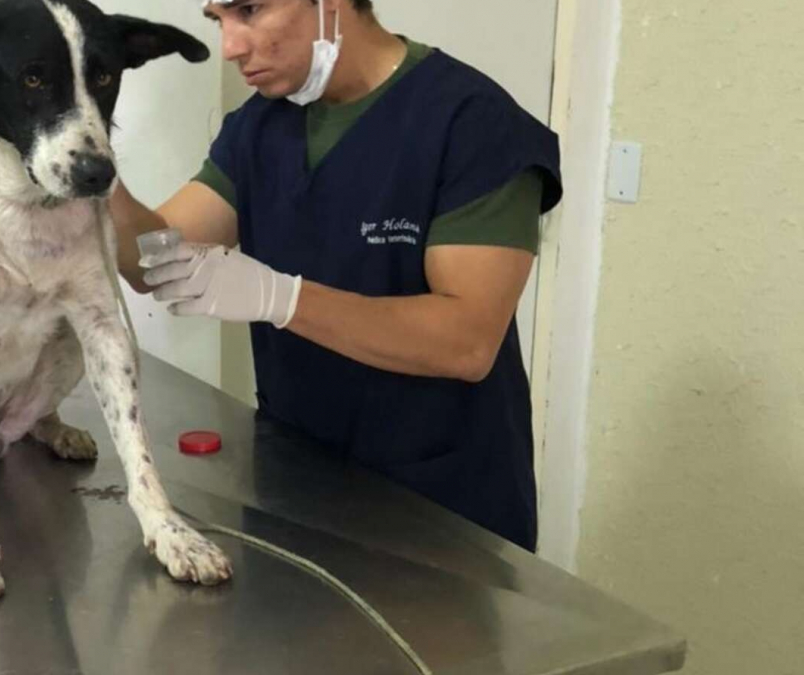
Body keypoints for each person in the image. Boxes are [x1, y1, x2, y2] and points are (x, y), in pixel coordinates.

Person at [109, 0, 563, 552]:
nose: (231, 46)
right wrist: (92, 175)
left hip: (444, 507)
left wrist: (281, 298)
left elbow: (466, 340)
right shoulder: (259, 128)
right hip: (302, 487)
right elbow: (153, 262)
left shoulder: (471, 124)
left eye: (249, 10)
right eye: (218, 20)